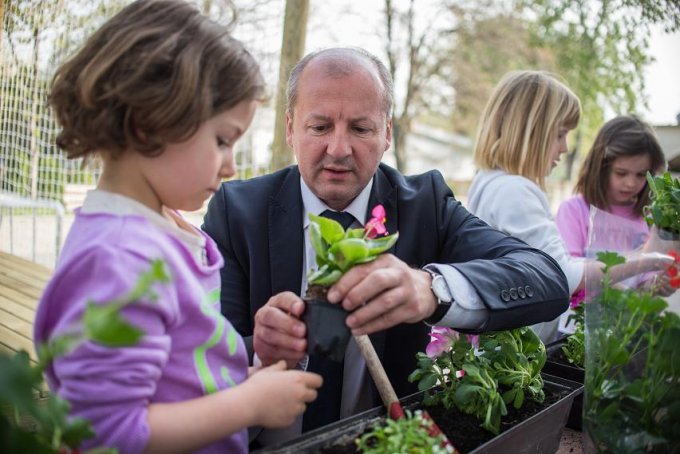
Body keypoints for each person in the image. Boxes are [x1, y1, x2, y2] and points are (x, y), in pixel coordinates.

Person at [202, 47, 570, 445]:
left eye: (361, 128)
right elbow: (200, 370)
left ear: (387, 133)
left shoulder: (426, 204)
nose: (339, 149)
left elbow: (545, 276)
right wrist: (261, 353)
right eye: (320, 127)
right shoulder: (238, 212)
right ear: (290, 128)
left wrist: (431, 289)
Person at [33, 2, 321, 453]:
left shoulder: (158, 230)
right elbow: (106, 430)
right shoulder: (119, 257)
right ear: (152, 120)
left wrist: (253, 374)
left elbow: (180, 379)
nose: (230, 166)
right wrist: (247, 404)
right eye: (222, 139)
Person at [466, 71, 673, 342]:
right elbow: (563, 274)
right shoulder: (514, 190)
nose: (564, 148)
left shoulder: (490, 181)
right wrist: (643, 261)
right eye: (560, 134)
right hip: (519, 347)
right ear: (532, 133)